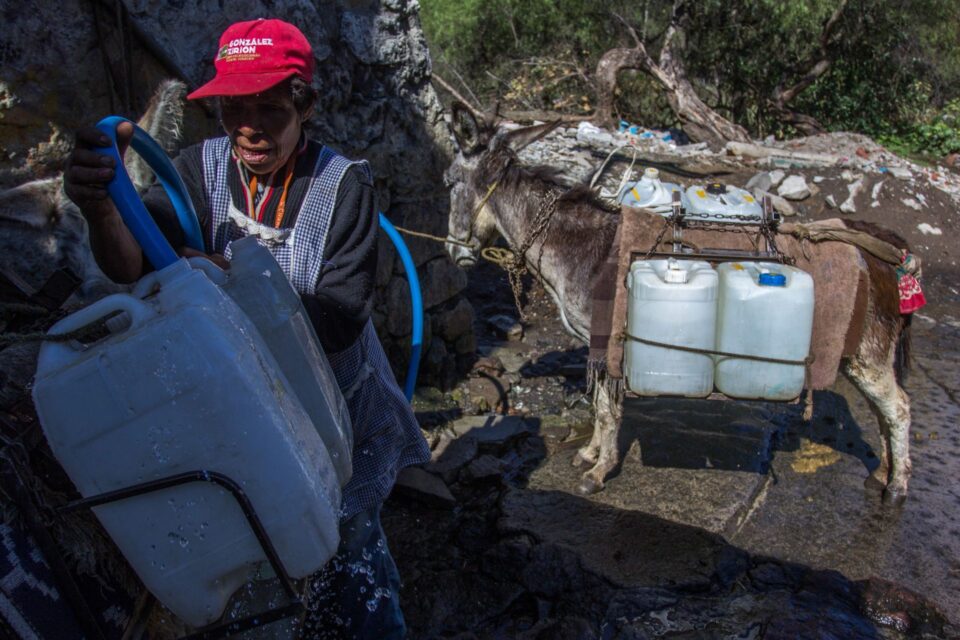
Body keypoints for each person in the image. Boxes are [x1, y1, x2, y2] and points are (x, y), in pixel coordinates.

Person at [64, 17, 430, 639]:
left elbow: (338, 320)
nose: (250, 127)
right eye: (235, 108)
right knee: (267, 549)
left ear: (305, 105)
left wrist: (225, 278)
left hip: (336, 408)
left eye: (271, 108)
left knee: (349, 551)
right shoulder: (196, 169)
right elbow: (133, 258)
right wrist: (102, 209)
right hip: (242, 406)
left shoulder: (343, 187)